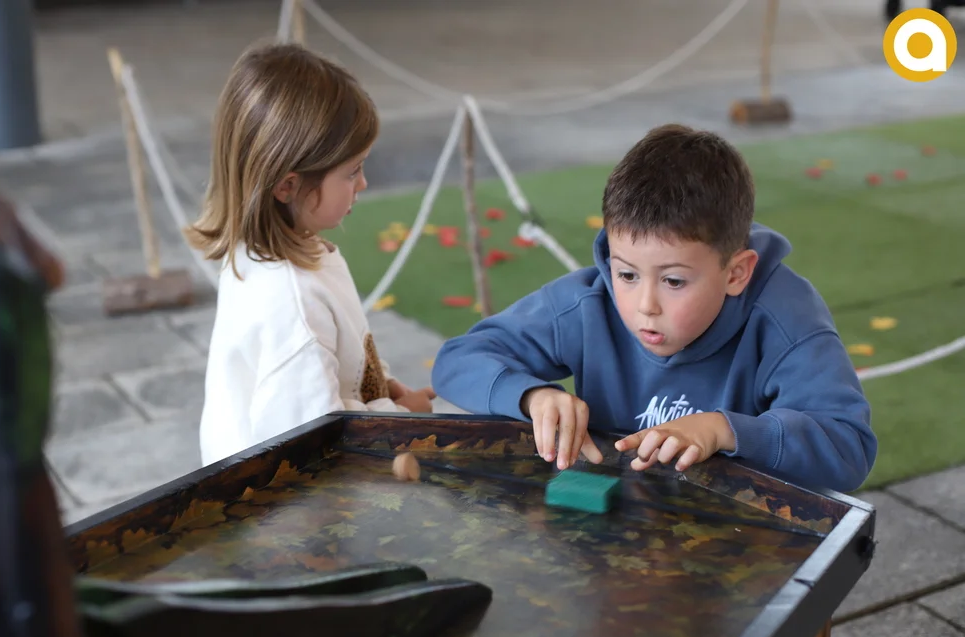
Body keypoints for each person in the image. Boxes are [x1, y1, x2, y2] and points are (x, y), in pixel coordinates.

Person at [431, 124, 877, 493]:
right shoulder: (589, 300)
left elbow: (848, 448)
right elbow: (458, 359)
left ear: (736, 273)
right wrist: (532, 396)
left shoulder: (786, 318)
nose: (644, 306)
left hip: (737, 540)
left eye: (674, 281)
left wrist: (724, 429)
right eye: (627, 274)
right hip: (614, 530)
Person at [188, 43, 435, 466]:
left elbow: (341, 363)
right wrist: (401, 416)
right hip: (287, 501)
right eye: (352, 171)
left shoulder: (279, 252)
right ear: (288, 186)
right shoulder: (293, 302)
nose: (363, 184)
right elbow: (312, 444)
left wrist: (384, 384)